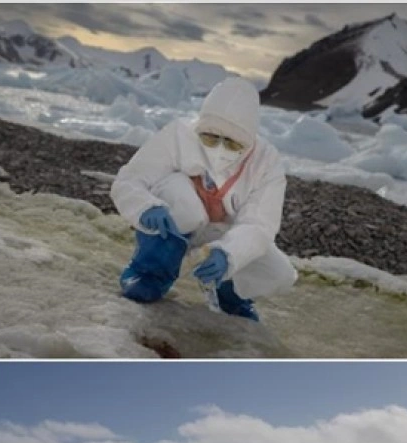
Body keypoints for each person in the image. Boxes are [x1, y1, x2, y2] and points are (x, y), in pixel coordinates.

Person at [110, 77, 297, 322]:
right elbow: (129, 180)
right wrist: (145, 206)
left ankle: (227, 293)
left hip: (220, 234)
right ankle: (148, 274)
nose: (219, 148)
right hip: (175, 221)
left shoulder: (267, 163)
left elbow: (260, 224)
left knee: (279, 273)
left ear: (249, 139)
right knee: (186, 204)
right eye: (210, 137)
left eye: (232, 143)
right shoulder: (178, 135)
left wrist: (230, 255)